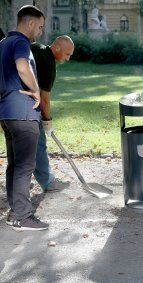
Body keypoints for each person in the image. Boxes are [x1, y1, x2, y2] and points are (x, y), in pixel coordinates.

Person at [0, 5, 49, 231]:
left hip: (7, 113)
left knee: (15, 165)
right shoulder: (20, 43)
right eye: (39, 27)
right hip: (23, 113)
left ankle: (14, 213)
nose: (39, 32)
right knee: (24, 167)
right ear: (29, 23)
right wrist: (37, 90)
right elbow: (22, 67)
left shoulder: (2, 44)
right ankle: (22, 216)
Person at [30, 35, 74, 193]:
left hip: (8, 101)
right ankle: (48, 183)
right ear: (57, 48)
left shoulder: (36, 47)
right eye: (67, 54)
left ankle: (19, 182)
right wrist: (47, 121)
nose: (68, 59)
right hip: (26, 106)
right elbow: (44, 99)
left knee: (19, 144)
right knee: (38, 143)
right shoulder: (49, 64)